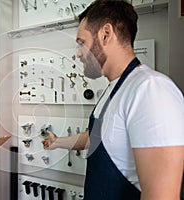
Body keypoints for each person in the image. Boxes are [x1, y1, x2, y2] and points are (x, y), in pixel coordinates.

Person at [42, 1, 184, 200]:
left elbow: (162, 197)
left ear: (106, 34)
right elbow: (97, 137)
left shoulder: (150, 90)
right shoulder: (113, 90)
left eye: (82, 42)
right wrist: (58, 142)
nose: (78, 53)